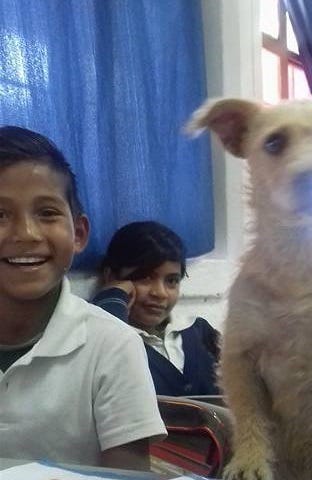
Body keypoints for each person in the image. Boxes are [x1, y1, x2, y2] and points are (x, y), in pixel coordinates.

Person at [0, 126, 166, 469]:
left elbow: (127, 478)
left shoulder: (113, 345)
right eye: (0, 215)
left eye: (46, 213)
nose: (26, 234)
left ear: (78, 233)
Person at [93, 221, 220, 397]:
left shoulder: (198, 331)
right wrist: (113, 298)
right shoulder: (107, 335)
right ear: (112, 277)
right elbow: (104, 343)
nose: (160, 293)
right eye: (145, 278)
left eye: (172, 281)